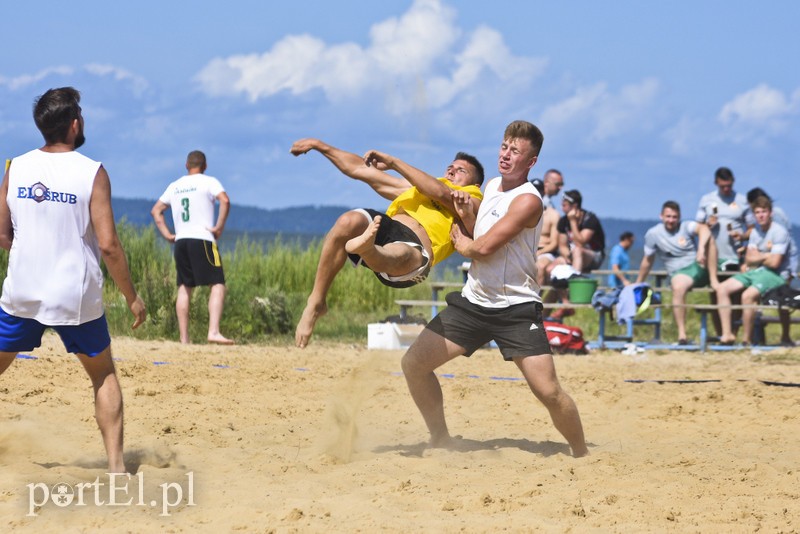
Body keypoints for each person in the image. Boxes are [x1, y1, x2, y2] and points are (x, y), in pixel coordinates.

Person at [400, 120, 588, 458]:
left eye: (516, 151)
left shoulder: (529, 200)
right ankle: (440, 438)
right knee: (413, 364)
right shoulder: (492, 186)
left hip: (516, 308)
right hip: (474, 302)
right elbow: (480, 232)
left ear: (531, 162)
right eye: (504, 146)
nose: (506, 154)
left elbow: (484, 248)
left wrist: (461, 242)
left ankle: (581, 452)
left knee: (549, 392)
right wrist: (464, 217)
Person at [0, 87, 146, 473]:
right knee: (102, 374)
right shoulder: (92, 171)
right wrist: (132, 297)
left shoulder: (15, 167)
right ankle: (116, 468)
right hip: (74, 295)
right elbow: (109, 246)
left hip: (23, 289)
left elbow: (2, 235)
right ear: (75, 123)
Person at [290, 138, 484, 348]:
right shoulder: (416, 189)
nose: (452, 171)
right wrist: (320, 146)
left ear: (474, 184)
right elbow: (359, 169)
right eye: (450, 167)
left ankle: (367, 249)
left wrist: (393, 162)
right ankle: (316, 301)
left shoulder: (472, 201)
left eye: (461, 170)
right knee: (347, 222)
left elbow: (441, 193)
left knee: (400, 253)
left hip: (417, 255)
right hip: (388, 228)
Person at [151, 151, 234, 345]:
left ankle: (184, 339)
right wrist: (219, 227)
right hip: (203, 238)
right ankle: (213, 331)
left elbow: (156, 211)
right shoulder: (209, 182)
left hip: (181, 240)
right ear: (204, 166)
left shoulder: (175, 186)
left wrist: (168, 234)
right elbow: (225, 200)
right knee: (217, 283)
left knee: (184, 287)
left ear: (186, 165)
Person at [635, 201, 717, 345]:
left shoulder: (686, 226)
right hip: (678, 273)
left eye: (674, 217)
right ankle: (682, 335)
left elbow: (704, 229)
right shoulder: (653, 234)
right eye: (668, 216)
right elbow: (647, 260)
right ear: (661, 216)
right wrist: (638, 282)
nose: (671, 220)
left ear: (679, 217)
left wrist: (701, 249)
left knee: (710, 240)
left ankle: (714, 278)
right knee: (678, 286)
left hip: (697, 266)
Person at [716, 196, 792, 345]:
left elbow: (775, 263)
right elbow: (749, 259)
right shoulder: (755, 232)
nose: (760, 215)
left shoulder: (779, 232)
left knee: (747, 296)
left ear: (770, 213)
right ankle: (727, 335)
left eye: (763, 211)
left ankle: (746, 340)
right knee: (722, 289)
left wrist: (758, 256)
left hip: (777, 276)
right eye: (757, 212)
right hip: (757, 272)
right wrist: (766, 256)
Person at [745, 188, 798, 346]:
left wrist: (759, 256)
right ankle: (774, 338)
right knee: (780, 303)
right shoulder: (772, 216)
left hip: (784, 266)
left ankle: (782, 338)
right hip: (773, 265)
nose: (759, 215)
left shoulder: (777, 218)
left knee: (783, 302)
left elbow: (777, 250)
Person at [695, 167, 751, 272]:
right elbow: (697, 228)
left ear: (733, 181)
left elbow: (752, 229)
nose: (726, 189)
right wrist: (708, 225)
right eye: (722, 186)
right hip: (712, 256)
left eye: (729, 186)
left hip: (736, 257)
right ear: (716, 183)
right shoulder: (706, 200)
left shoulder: (743, 201)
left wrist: (742, 236)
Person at [554, 190, 606, 275]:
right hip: (572, 254)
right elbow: (562, 245)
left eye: (564, 205)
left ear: (574, 206)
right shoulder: (563, 221)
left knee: (578, 251)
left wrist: (573, 222)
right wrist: (567, 256)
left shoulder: (590, 219)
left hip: (594, 255)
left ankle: (575, 282)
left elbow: (580, 243)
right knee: (550, 266)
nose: (561, 207)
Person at [531, 179, 560, 287]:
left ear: (543, 192)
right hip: (526, 250)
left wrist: (538, 253)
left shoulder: (553, 215)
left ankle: (535, 301)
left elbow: (554, 243)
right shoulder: (519, 212)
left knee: (540, 267)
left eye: (539, 191)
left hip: (545, 252)